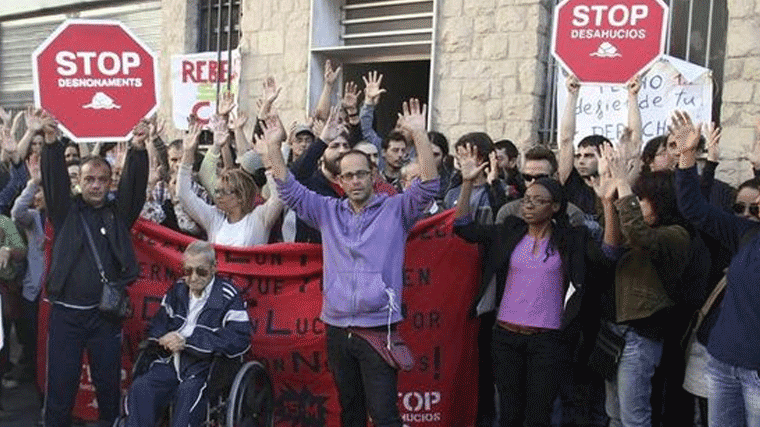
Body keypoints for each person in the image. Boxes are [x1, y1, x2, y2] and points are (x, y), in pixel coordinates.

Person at [264, 98, 438, 427]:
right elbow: (288, 190)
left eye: (361, 174)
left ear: (373, 175)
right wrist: (274, 146)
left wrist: (419, 135)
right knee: (350, 412)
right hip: (337, 329)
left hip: (377, 329)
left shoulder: (396, 210)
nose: (355, 180)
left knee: (385, 416)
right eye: (348, 176)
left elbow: (429, 186)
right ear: (340, 181)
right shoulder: (328, 212)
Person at [453, 143, 621, 427]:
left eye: (537, 201)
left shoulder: (573, 239)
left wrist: (607, 203)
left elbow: (609, 254)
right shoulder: (510, 231)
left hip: (548, 341)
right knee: (509, 414)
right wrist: (468, 183)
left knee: (537, 416)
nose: (527, 205)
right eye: (526, 199)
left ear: (555, 207)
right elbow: (463, 227)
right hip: (505, 337)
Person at [41, 113, 148, 427]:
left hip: (105, 318)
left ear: (110, 182)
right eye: (89, 179)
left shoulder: (119, 213)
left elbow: (135, 189)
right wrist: (50, 143)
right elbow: (53, 183)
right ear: (79, 181)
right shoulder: (65, 211)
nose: (97, 185)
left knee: (109, 390)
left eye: (103, 180)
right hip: (66, 317)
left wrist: (138, 149)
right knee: (60, 390)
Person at [672, 110, 760, 427]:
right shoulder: (744, 233)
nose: (748, 213)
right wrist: (687, 156)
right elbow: (693, 207)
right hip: (723, 362)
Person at [125, 240, 251, 427]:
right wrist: (163, 338)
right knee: (142, 388)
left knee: (188, 396)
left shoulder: (225, 295)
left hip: (204, 367)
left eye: (201, 271)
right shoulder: (178, 290)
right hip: (170, 361)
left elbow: (239, 339)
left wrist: (188, 341)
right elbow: (158, 324)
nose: (193, 278)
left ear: (214, 268)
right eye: (188, 271)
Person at [178, 123, 284, 247]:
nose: (217, 196)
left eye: (223, 192)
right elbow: (184, 194)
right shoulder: (214, 218)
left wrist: (267, 158)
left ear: (240, 196)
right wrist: (188, 153)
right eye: (217, 191)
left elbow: (279, 196)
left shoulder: (259, 218)